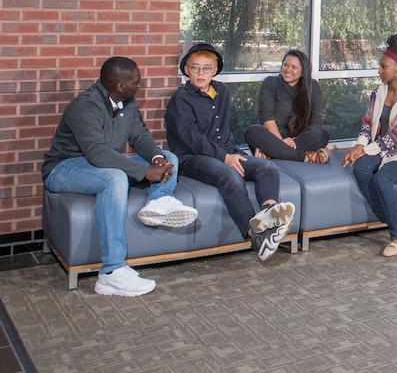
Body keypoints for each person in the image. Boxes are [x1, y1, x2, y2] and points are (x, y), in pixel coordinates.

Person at [42, 57, 198, 296]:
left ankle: (158, 202)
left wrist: (156, 159)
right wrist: (145, 171)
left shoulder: (129, 103)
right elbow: (97, 154)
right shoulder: (84, 106)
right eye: (136, 82)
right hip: (65, 167)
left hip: (103, 163)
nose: (140, 85)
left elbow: (140, 138)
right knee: (115, 178)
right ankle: (111, 273)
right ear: (119, 86)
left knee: (170, 157)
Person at [165, 43, 295, 262]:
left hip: (225, 151)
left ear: (215, 70)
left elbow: (222, 131)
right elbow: (193, 141)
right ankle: (254, 235)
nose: (200, 73)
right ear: (186, 70)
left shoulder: (222, 91)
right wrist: (225, 157)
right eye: (195, 68)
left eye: (206, 68)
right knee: (229, 175)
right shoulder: (180, 100)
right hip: (192, 158)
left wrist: (233, 153)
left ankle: (268, 215)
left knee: (267, 167)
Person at [343, 35, 397, 256]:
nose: (379, 70)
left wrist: (365, 149)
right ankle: (392, 220)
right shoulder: (378, 92)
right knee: (359, 168)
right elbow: (367, 121)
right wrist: (360, 144)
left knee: (382, 178)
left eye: (383, 66)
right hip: (380, 149)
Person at [245, 49, 330, 163]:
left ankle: (273, 154)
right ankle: (305, 157)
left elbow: (316, 121)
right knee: (253, 132)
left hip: (298, 141)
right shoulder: (271, 83)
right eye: (285, 65)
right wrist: (280, 142)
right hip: (273, 138)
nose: (288, 70)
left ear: (303, 71)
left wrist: (292, 142)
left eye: (294, 67)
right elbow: (266, 117)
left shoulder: (312, 87)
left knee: (321, 134)